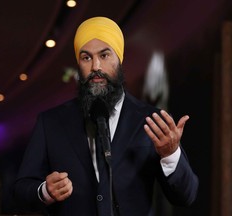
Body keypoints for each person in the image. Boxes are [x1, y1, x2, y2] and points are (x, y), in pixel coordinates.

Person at [13, 16, 198, 216]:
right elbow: (20, 191)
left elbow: (186, 196)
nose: (96, 67)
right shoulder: (50, 123)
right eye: (86, 58)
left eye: (104, 55)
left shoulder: (152, 120)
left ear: (119, 58)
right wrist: (45, 191)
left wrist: (170, 155)